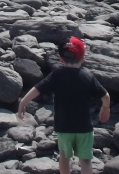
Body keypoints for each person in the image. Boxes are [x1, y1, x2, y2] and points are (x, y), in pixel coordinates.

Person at [18, 37, 110, 174]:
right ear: (83, 59)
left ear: (60, 59)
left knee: (64, 156)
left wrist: (23, 102)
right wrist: (105, 108)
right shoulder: (88, 75)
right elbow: (105, 96)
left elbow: (37, 89)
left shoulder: (56, 75)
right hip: (84, 127)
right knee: (85, 161)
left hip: (64, 126)